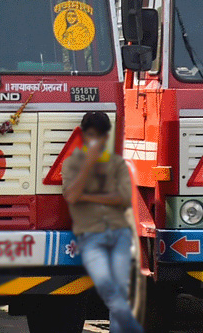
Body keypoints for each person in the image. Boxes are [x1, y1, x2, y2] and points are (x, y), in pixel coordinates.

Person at [62, 111, 143, 333]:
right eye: (91, 135)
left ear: (107, 136)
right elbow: (70, 196)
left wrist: (87, 196)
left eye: (100, 135)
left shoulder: (118, 164)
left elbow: (124, 199)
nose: (96, 140)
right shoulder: (72, 164)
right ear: (83, 135)